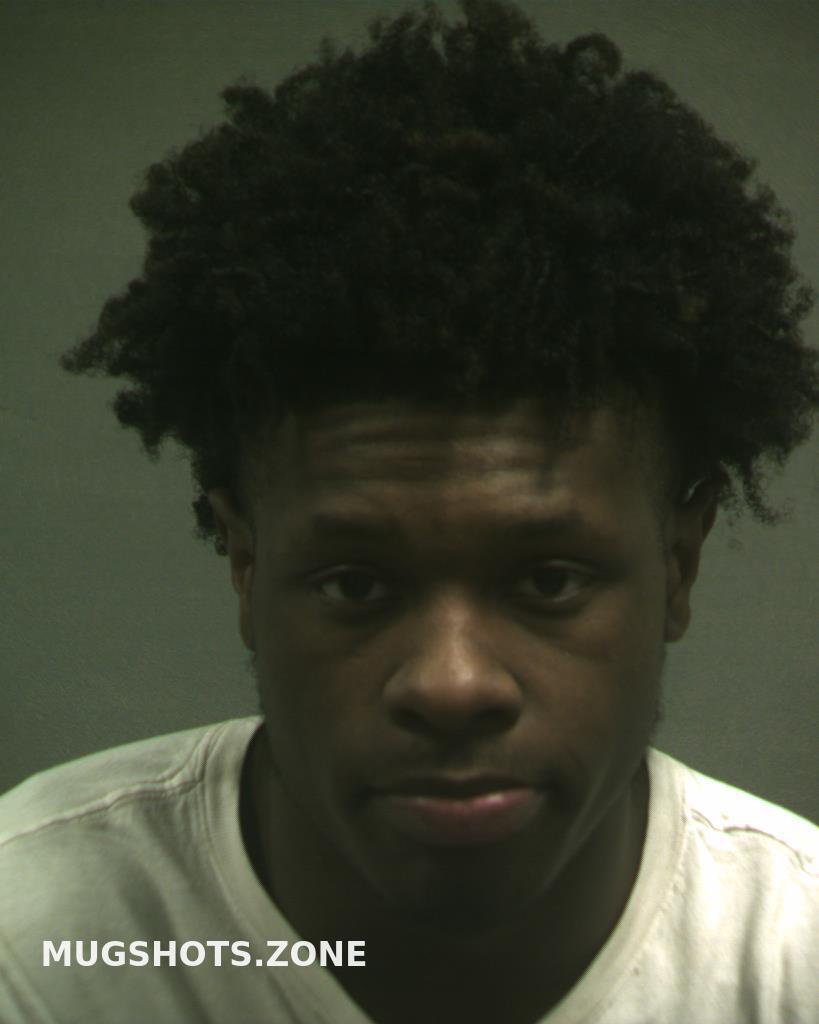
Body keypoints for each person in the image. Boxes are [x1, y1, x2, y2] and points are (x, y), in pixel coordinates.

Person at [1, 2, 817, 1021]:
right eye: (356, 583)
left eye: (548, 579)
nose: (450, 683)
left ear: (678, 564)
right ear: (246, 566)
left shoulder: (796, 961)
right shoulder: (37, 944)